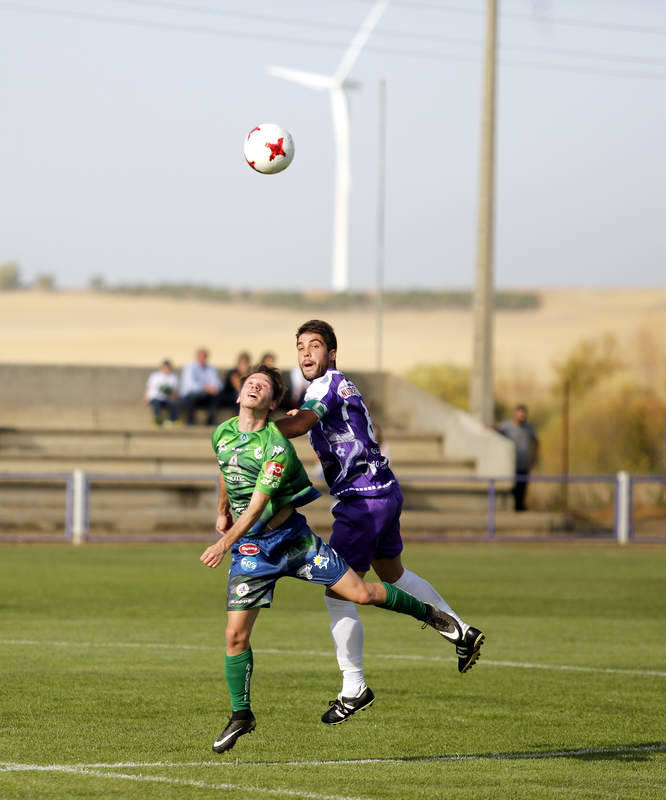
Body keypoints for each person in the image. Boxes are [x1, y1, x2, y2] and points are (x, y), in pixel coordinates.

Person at [200, 364, 459, 754]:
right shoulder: (222, 433)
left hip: (294, 543)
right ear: (239, 395)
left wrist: (224, 542)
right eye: (250, 383)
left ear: (272, 403)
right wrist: (221, 510)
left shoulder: (276, 446)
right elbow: (225, 468)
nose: (254, 387)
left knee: (360, 594)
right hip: (253, 551)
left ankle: (429, 615)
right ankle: (242, 715)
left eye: (264, 387)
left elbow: (256, 506)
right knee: (235, 636)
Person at [276, 319, 485, 725]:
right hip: (384, 490)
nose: (305, 353)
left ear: (331, 353)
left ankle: (354, 688)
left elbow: (302, 425)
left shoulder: (325, 386)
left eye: (314, 346)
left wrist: (256, 428)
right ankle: (460, 630)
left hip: (362, 500)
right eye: (300, 346)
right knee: (392, 572)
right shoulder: (342, 385)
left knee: (337, 592)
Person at [497, 404, 539, 512]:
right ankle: (513, 508)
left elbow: (535, 442)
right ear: (514, 415)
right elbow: (496, 430)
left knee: (522, 487)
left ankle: (519, 507)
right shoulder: (506, 426)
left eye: (523, 415)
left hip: (524, 464)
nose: (521, 417)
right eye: (519, 415)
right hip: (511, 464)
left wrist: (534, 458)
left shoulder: (529, 428)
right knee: (512, 487)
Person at [179, 348, 223, 426]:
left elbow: (218, 384)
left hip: (204, 396)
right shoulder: (189, 367)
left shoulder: (210, 369)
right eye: (200, 356)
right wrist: (205, 388)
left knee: (216, 396)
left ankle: (211, 421)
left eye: (204, 356)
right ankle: (190, 421)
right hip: (189, 396)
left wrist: (214, 389)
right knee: (192, 397)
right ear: (197, 357)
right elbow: (190, 385)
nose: (202, 358)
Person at [143, 359, 179, 426]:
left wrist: (171, 394)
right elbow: (148, 387)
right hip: (155, 398)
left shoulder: (173, 377)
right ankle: (158, 420)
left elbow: (175, 392)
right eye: (165, 367)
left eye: (168, 367)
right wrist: (145, 399)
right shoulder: (155, 376)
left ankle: (173, 421)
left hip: (167, 399)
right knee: (156, 404)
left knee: (174, 405)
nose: (166, 369)